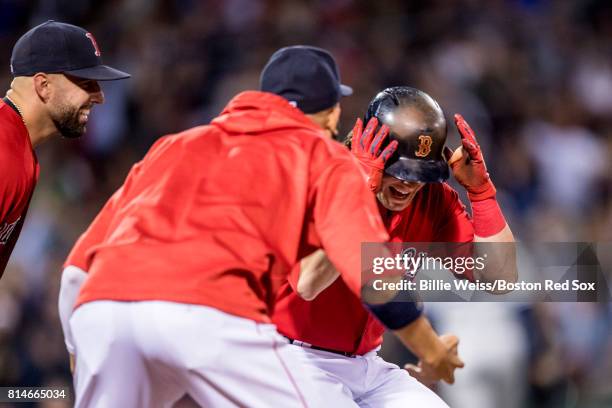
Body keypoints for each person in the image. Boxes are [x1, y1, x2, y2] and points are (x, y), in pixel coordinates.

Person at [59, 47, 459, 408]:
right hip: (213, 312)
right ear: (333, 111)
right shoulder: (322, 156)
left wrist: (81, 344)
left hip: (104, 308)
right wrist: (430, 349)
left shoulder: (176, 143)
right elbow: (373, 277)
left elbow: (77, 267)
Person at [271, 86, 517, 407]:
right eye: (399, 170)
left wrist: (482, 194)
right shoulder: (323, 176)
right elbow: (307, 283)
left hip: (367, 366)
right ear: (372, 148)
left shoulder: (432, 199)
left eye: (419, 173)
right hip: (293, 357)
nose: (408, 183)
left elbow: (500, 279)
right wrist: (354, 195)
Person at [0, 20, 130, 276]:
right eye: (85, 82)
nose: (99, 96)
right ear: (43, 85)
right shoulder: (4, 152)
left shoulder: (19, 147)